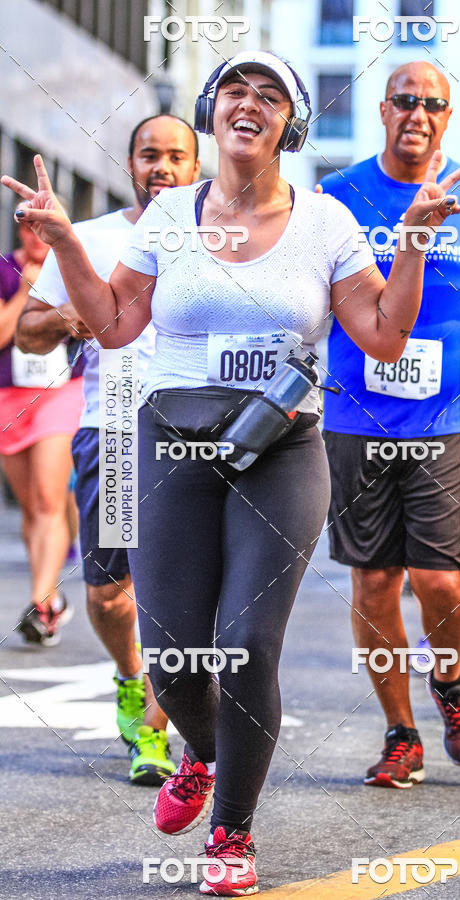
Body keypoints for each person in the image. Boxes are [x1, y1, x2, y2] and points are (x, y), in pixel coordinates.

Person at [2, 49, 460, 896]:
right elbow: (109, 323)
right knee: (175, 660)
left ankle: (232, 834)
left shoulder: (326, 222)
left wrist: (416, 249)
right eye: (235, 91)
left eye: (270, 94)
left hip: (281, 446)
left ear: (290, 123)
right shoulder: (169, 216)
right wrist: (67, 239)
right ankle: (206, 756)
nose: (248, 103)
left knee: (248, 646)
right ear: (215, 113)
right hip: (172, 440)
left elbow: (385, 336)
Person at [319, 61, 460, 789]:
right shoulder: (338, 195)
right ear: (383, 110)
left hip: (459, 409)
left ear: (447, 116)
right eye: (404, 100)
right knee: (375, 581)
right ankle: (401, 733)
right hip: (357, 409)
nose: (417, 112)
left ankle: (449, 681)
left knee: (442, 580)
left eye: (432, 103)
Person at [15, 115, 201, 785]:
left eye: (176, 156)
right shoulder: (90, 240)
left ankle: (154, 730)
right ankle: (131, 676)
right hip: (114, 431)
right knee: (108, 596)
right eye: (150, 154)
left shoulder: (219, 237)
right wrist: (80, 315)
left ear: (196, 166)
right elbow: (30, 334)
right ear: (130, 164)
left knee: (174, 590)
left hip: (194, 434)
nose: (162, 166)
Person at [0, 201, 84, 646]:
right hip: (9, 396)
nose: (36, 235)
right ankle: (52, 596)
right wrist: (23, 292)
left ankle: (41, 600)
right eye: (28, 227)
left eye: (43, 226)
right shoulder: (3, 270)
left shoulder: (72, 264)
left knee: (51, 499)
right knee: (31, 506)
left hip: (60, 393)